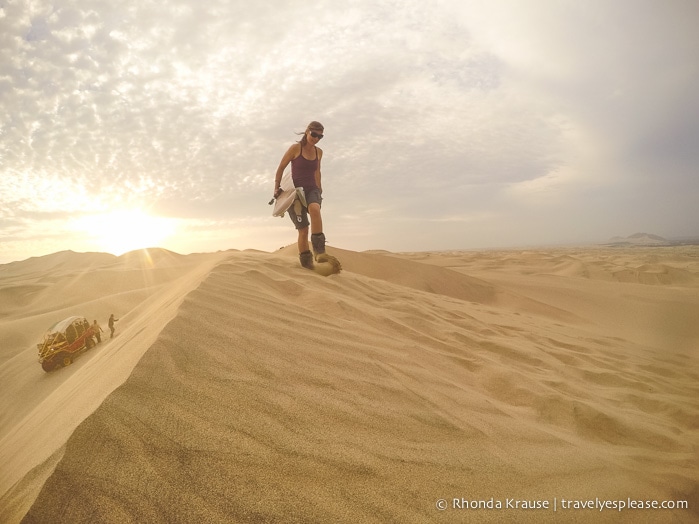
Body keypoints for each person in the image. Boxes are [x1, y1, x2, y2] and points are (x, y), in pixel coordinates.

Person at [273, 121, 329, 269]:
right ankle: (307, 265)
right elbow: (280, 168)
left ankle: (319, 252)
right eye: (314, 134)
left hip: (312, 189)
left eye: (320, 136)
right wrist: (276, 188)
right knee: (303, 230)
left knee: (315, 210)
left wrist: (319, 188)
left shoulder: (319, 152)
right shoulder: (295, 148)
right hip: (295, 193)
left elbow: (317, 171)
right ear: (307, 131)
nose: (316, 138)